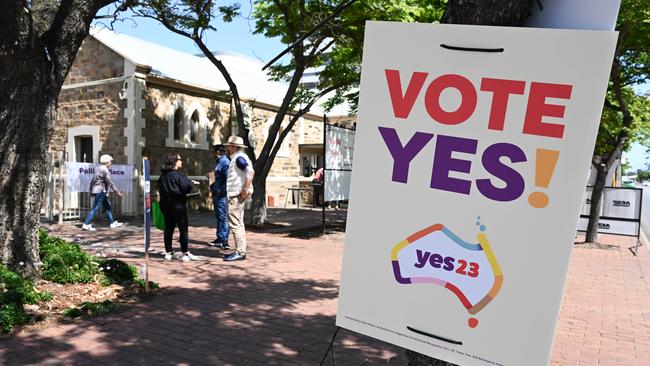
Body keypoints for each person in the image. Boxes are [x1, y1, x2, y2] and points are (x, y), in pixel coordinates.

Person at [158, 153, 199, 262]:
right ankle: (185, 252)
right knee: (183, 229)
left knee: (168, 228)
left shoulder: (162, 176)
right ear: (175, 161)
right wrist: (191, 183)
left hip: (165, 205)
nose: (182, 161)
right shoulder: (178, 175)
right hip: (178, 205)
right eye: (180, 159)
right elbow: (186, 187)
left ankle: (168, 251)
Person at [223, 136, 255, 262]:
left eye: (229, 145)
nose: (227, 148)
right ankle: (241, 250)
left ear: (234, 147)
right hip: (237, 194)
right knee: (239, 224)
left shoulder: (239, 158)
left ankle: (240, 251)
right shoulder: (239, 158)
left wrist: (245, 189)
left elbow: (250, 172)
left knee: (235, 224)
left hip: (236, 195)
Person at [82, 154, 124, 231]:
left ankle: (112, 223)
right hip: (101, 190)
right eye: (110, 162)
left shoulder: (98, 168)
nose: (111, 163)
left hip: (98, 190)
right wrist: (117, 192)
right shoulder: (105, 170)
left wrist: (91, 190)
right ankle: (86, 224)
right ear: (107, 162)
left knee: (107, 206)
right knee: (96, 208)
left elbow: (93, 180)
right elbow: (110, 182)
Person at [208, 144, 230, 249]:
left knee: (223, 217)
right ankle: (220, 237)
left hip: (221, 195)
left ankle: (224, 240)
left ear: (217, 152)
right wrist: (211, 176)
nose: (212, 154)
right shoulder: (219, 163)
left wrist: (223, 191)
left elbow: (228, 179)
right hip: (217, 193)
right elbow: (218, 177)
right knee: (219, 217)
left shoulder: (225, 163)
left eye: (213, 152)